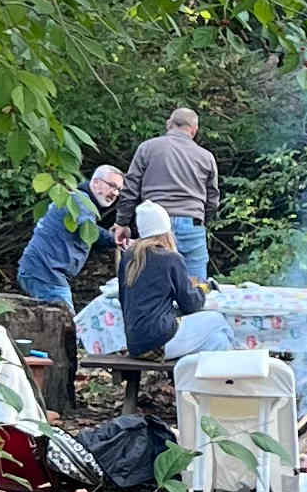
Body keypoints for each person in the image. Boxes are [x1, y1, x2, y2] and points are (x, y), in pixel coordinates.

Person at [121, 106, 220, 286]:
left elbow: (130, 189)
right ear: (194, 129)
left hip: (154, 226)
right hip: (192, 224)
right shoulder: (206, 157)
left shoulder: (147, 148)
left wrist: (122, 222)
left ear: (169, 124)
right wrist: (202, 221)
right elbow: (212, 200)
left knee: (153, 285)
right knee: (196, 287)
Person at [18, 163, 124, 308]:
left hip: (43, 272)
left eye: (118, 189)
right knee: (66, 324)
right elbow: (89, 231)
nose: (115, 193)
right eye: (112, 186)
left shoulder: (83, 202)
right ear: (96, 182)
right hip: (44, 272)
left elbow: (88, 236)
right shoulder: (79, 199)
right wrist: (119, 240)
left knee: (52, 322)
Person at [116, 200, 207, 359]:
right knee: (218, 323)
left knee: (215, 336)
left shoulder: (129, 256)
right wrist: (202, 289)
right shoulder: (171, 258)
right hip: (159, 340)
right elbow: (191, 304)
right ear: (166, 230)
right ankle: (205, 379)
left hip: (135, 343)